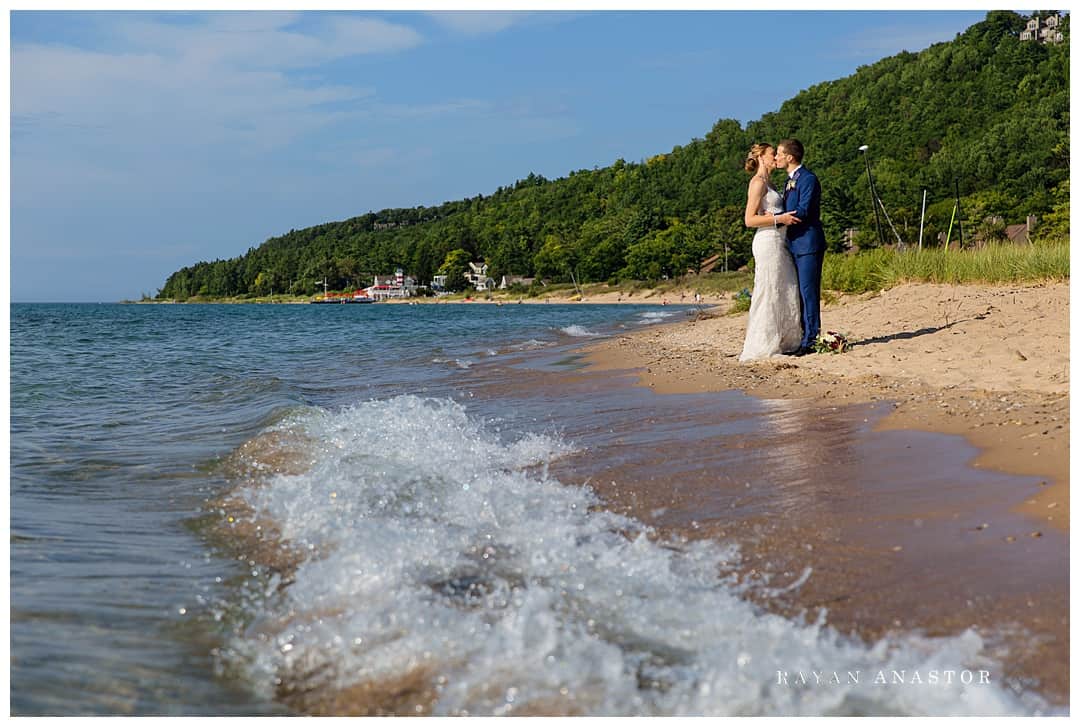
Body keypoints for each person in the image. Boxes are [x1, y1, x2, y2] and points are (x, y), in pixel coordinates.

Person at [738, 143, 804, 362]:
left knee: (785, 286)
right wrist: (780, 219)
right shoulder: (757, 183)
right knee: (769, 288)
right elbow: (749, 220)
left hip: (779, 241)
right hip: (767, 241)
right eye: (771, 154)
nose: (776, 157)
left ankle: (785, 339)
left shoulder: (770, 182)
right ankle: (764, 344)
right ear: (761, 158)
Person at [776, 138, 826, 355]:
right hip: (793, 244)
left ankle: (811, 340)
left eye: (779, 153)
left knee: (808, 292)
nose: (776, 158)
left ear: (790, 157)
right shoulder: (789, 181)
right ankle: (805, 336)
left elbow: (804, 210)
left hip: (808, 242)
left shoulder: (808, 179)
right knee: (799, 293)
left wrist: (776, 218)